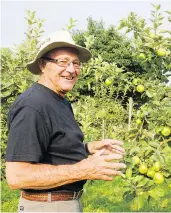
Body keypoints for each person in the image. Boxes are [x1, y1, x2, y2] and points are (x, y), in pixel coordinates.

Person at [5, 30, 126, 212]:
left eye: (76, 63)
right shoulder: (32, 106)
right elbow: (17, 176)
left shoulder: (59, 101)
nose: (71, 70)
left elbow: (52, 150)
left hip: (61, 204)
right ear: (43, 65)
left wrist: (88, 149)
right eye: (62, 62)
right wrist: (83, 170)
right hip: (45, 206)